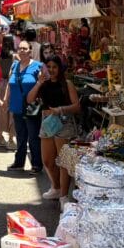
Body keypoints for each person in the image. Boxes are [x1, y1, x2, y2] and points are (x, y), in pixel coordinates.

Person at [26, 54, 80, 200]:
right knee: (48, 161)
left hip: (64, 122)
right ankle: (56, 187)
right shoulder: (43, 83)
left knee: (63, 162)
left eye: (54, 67)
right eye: (48, 67)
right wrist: (38, 83)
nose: (51, 70)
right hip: (47, 122)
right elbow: (30, 100)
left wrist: (60, 109)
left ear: (60, 68)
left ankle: (63, 196)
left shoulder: (67, 83)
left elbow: (76, 106)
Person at [4, 39, 44, 173]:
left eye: (24, 48)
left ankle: (37, 164)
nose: (21, 51)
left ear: (30, 51)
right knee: (20, 136)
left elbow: (45, 83)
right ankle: (19, 162)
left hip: (31, 107)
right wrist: (5, 100)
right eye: (20, 48)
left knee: (33, 137)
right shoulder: (14, 66)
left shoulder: (38, 66)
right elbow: (10, 84)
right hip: (16, 106)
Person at [0, 35, 16, 147]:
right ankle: (10, 139)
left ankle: (0, 136)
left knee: (3, 110)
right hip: (10, 84)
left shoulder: (0, 55)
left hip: (2, 82)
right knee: (11, 111)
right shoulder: (13, 56)